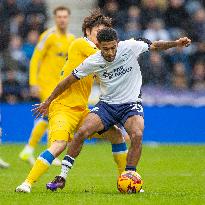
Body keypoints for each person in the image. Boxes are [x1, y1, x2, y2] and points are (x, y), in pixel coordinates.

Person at [32, 28, 191, 191]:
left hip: (130, 104)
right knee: (82, 132)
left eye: (113, 47)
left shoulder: (130, 46)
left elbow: (156, 46)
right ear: (99, 46)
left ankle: (129, 177)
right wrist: (48, 101)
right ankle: (62, 176)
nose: (110, 52)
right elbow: (67, 81)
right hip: (107, 105)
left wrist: (176, 43)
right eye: (105, 49)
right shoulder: (93, 61)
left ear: (117, 43)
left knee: (137, 134)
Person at [15, 11, 128, 193]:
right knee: (59, 145)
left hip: (81, 110)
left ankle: (126, 181)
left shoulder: (96, 54)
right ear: (88, 31)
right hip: (62, 108)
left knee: (116, 135)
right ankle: (27, 183)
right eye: (99, 31)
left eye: (105, 32)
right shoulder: (81, 43)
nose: (102, 36)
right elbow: (110, 57)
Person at [19, 6, 75, 165]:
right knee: (51, 115)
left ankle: (30, 150)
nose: (62, 19)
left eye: (64, 16)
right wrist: (33, 83)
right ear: (55, 18)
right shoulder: (48, 36)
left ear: (68, 18)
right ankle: (39, 150)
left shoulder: (71, 39)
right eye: (59, 17)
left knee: (50, 117)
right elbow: (35, 59)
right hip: (46, 84)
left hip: (60, 86)